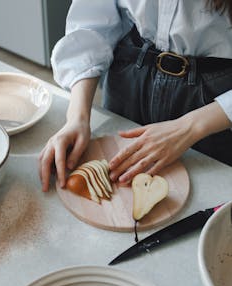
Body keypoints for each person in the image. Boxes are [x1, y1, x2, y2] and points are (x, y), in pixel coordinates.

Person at [39, 0, 232, 192]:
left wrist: (190, 127)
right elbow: (94, 22)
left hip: (214, 107)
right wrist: (77, 118)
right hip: (130, 77)